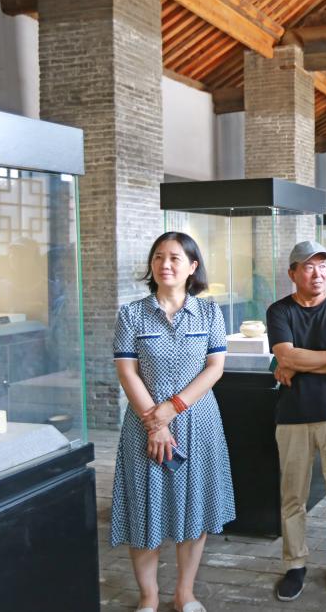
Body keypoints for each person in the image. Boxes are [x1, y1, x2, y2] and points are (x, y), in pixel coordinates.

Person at [111, 231, 235, 612]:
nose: (165, 264)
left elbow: (214, 369)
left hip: (199, 423)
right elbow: (127, 372)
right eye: (158, 257)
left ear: (192, 267)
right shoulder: (131, 314)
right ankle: (148, 597)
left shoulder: (210, 313)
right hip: (144, 423)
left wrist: (173, 407)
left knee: (194, 504)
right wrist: (157, 422)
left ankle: (185, 593)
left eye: (175, 258)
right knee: (144, 508)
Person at [266, 241, 326, 602]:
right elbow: (286, 356)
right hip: (293, 415)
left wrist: (297, 363)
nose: (317, 273)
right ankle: (294, 564)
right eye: (308, 266)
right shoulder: (279, 311)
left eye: (322, 266)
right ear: (293, 273)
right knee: (293, 496)